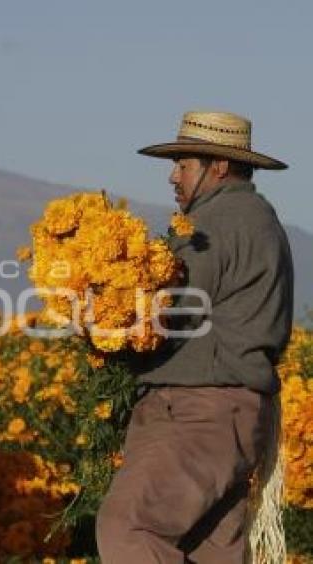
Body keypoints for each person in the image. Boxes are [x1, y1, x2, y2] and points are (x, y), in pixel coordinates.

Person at [95, 111, 294, 563]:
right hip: (236, 413)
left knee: (129, 526)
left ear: (218, 166)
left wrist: (103, 314)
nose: (172, 176)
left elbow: (168, 311)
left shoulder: (213, 224)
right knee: (211, 552)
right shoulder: (259, 219)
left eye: (182, 164)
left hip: (196, 410)